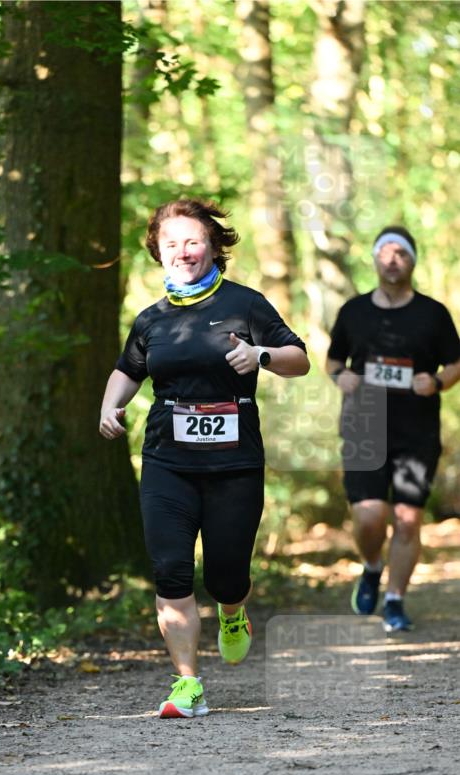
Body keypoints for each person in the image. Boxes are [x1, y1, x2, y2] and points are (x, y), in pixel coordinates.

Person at [99, 198, 309, 719]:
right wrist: (111, 404)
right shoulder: (152, 319)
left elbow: (298, 359)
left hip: (234, 464)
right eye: (171, 243)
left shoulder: (246, 305)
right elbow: (128, 369)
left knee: (226, 575)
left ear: (213, 245)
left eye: (192, 241)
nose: (183, 251)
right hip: (168, 461)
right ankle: (186, 685)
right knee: (170, 569)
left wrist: (259, 354)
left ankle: (233, 612)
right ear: (158, 251)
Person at [326, 225, 460, 633]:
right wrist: (341, 378)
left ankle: (396, 600)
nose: (392, 258)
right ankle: (371, 566)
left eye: (400, 252)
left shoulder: (433, 313)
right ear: (374, 259)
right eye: (384, 251)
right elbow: (333, 362)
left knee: (407, 519)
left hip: (416, 431)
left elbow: (455, 364)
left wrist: (436, 381)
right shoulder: (354, 311)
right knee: (369, 518)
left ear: (411, 261)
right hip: (364, 423)